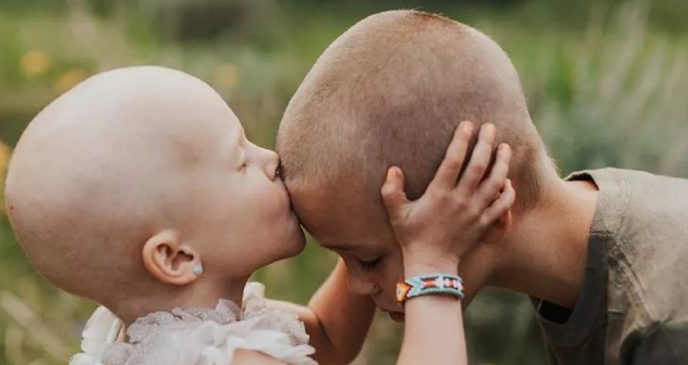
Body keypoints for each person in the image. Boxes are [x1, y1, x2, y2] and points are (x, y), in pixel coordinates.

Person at [5, 65, 512, 365]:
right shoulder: (231, 361)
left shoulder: (189, 330)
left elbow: (329, 340)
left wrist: (358, 223)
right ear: (176, 256)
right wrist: (432, 263)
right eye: (241, 159)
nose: (270, 160)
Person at [277, 9, 688, 365]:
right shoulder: (606, 229)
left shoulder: (664, 326)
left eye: (368, 260)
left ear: (488, 200)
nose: (355, 287)